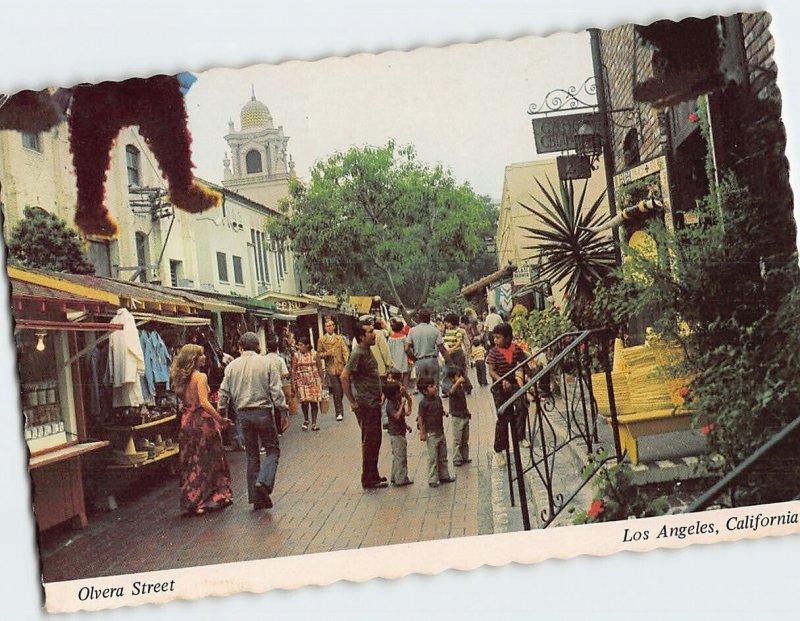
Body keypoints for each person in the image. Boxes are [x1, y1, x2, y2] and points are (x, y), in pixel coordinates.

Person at [218, 332, 288, 511]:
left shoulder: (231, 367)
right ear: (258, 346)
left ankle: (256, 499)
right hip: (263, 411)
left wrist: (222, 414)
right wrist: (283, 411)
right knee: (272, 450)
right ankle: (264, 482)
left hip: (243, 414)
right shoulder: (267, 363)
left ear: (240, 348)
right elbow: (276, 391)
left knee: (252, 455)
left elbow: (223, 393)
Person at [170, 344, 233, 517]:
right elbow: (204, 403)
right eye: (201, 355)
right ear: (194, 359)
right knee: (211, 459)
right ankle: (217, 495)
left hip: (187, 421)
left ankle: (192, 500)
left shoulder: (181, 378)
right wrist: (220, 419)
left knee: (191, 461)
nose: (204, 357)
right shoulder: (201, 377)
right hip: (202, 421)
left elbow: (183, 402)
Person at [341, 319, 388, 489]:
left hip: (374, 402)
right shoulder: (357, 353)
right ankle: (368, 478)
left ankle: (372, 474)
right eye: (370, 331)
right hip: (366, 404)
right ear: (361, 337)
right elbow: (344, 377)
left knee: (375, 440)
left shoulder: (368, 351)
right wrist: (353, 402)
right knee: (370, 440)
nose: (374, 334)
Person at [486, 322, 529, 467]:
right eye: (494, 337)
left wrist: (532, 377)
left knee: (522, 406)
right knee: (503, 416)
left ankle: (520, 436)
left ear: (508, 338)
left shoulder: (516, 349)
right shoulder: (493, 352)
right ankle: (499, 451)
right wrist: (501, 380)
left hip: (513, 383)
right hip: (499, 386)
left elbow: (524, 363)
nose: (495, 340)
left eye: (498, 337)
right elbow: (491, 371)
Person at [416, 376, 455, 488]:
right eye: (431, 386)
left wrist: (444, 412)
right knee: (433, 457)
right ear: (425, 391)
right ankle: (433, 478)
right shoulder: (423, 403)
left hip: (440, 431)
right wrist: (422, 432)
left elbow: (439, 408)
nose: (435, 387)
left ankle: (444, 475)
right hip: (431, 433)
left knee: (443, 455)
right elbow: (420, 418)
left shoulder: (437, 398)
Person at [405, 308, 448, 390]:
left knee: (421, 387)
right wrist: (448, 361)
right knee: (434, 386)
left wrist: (414, 359)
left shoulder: (412, 331)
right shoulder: (435, 330)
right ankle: (435, 401)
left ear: (419, 318)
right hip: (432, 360)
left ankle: (422, 401)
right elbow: (442, 349)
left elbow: (406, 348)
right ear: (429, 318)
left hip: (419, 361)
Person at [316, 318, 349, 421]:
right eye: (327, 326)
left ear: (334, 327)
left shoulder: (339, 339)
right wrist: (326, 354)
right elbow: (318, 354)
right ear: (325, 328)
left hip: (341, 367)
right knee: (336, 390)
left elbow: (345, 351)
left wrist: (348, 364)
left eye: (330, 325)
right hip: (330, 368)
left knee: (342, 389)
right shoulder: (322, 340)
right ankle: (339, 412)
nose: (329, 328)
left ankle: (339, 406)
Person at [383, 380, 413, 486]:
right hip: (396, 434)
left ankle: (395, 476)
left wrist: (406, 426)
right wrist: (402, 405)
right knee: (400, 456)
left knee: (397, 456)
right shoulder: (390, 405)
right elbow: (396, 417)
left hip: (400, 431)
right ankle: (401, 478)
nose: (400, 394)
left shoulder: (396, 401)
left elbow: (401, 419)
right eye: (398, 392)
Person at [291, 336, 324, 431]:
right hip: (301, 381)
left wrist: (322, 381)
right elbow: (293, 370)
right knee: (304, 402)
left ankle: (314, 423)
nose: (299, 347)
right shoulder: (296, 356)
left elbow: (320, 367)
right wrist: (293, 383)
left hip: (314, 380)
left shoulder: (314, 354)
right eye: (299, 345)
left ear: (307, 345)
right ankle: (306, 419)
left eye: (301, 345)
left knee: (314, 402)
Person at [351, 315, 394, 381]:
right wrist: (389, 367)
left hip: (364, 375)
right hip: (379, 372)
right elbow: (385, 352)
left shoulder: (356, 338)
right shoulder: (379, 334)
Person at [265, 334, 291, 435]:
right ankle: (279, 430)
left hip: (266, 387)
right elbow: (285, 374)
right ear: (277, 349)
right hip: (277, 386)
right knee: (277, 409)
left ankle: (270, 430)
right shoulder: (280, 359)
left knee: (268, 409)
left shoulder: (263, 359)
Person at [446, 366, 472, 466]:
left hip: (464, 414)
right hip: (456, 417)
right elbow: (451, 392)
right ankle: (456, 458)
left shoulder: (460, 388)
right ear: (452, 378)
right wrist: (457, 383)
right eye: (458, 376)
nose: (460, 378)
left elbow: (463, 402)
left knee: (465, 439)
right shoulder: (452, 387)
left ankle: (464, 456)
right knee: (457, 439)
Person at [387, 318, 410, 388]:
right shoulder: (404, 338)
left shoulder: (390, 338)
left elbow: (388, 349)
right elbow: (407, 348)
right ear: (401, 328)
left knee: (395, 375)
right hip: (403, 358)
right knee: (405, 373)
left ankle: (396, 388)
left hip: (393, 359)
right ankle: (404, 388)